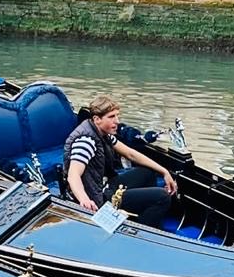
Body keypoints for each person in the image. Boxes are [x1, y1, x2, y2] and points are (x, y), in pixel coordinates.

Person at [63, 95, 178, 229]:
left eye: (117, 116)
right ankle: (140, 232)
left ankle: (143, 216)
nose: (117, 121)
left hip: (104, 185)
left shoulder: (103, 133)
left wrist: (164, 171)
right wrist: (84, 200)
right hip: (97, 196)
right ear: (97, 119)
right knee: (162, 197)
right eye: (111, 117)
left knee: (148, 172)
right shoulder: (86, 141)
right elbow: (73, 175)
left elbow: (130, 154)